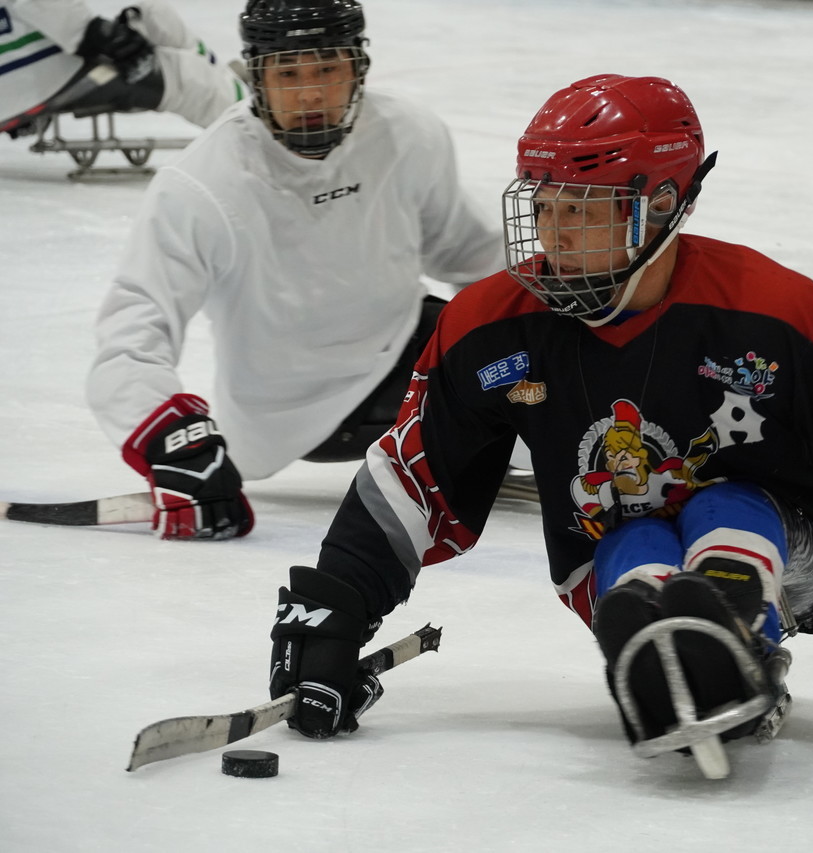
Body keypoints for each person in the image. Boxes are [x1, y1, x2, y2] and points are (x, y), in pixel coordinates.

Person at [266, 74, 813, 776]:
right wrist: (335, 604)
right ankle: (660, 645)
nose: (553, 231)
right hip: (610, 565)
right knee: (635, 538)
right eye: (544, 204)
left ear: (664, 203)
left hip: (796, 560)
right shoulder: (493, 327)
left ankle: (743, 633)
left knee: (721, 503)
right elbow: (414, 475)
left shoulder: (775, 314)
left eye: (581, 208)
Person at [85, 0, 507, 541]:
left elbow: (469, 253)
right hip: (287, 416)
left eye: (328, 69)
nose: (309, 93)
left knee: (539, 351)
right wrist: (173, 438)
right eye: (288, 73)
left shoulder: (408, 132)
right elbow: (129, 334)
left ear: (358, 68)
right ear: (256, 77)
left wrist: (578, 303)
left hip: (406, 350)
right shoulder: (203, 183)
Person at [1, 0, 247, 136]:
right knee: (185, 77)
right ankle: (262, 130)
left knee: (155, 15)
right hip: (23, 70)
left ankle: (238, 91)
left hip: (25, 55)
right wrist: (95, 34)